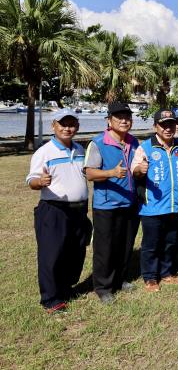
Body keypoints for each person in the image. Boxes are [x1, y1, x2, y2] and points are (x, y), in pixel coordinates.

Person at [27, 109, 91, 314]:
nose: (67, 128)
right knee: (51, 255)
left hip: (79, 210)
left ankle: (65, 289)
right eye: (62, 124)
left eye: (71, 124)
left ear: (77, 127)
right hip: (54, 210)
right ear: (53, 126)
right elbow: (32, 181)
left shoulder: (80, 149)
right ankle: (50, 298)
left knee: (76, 251)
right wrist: (40, 181)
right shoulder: (44, 152)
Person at [83, 102, 140, 304]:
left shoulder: (134, 142)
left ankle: (120, 279)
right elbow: (89, 173)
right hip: (107, 204)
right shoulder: (98, 143)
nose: (124, 121)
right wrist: (111, 173)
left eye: (127, 117)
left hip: (130, 203)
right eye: (119, 117)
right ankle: (103, 286)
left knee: (125, 245)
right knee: (105, 247)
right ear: (109, 120)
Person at [131, 109, 178, 292]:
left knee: (171, 242)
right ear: (155, 126)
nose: (168, 128)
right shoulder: (145, 147)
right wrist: (141, 169)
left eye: (171, 124)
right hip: (152, 207)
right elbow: (135, 171)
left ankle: (167, 272)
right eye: (163, 125)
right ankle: (150, 277)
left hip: (175, 205)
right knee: (151, 245)